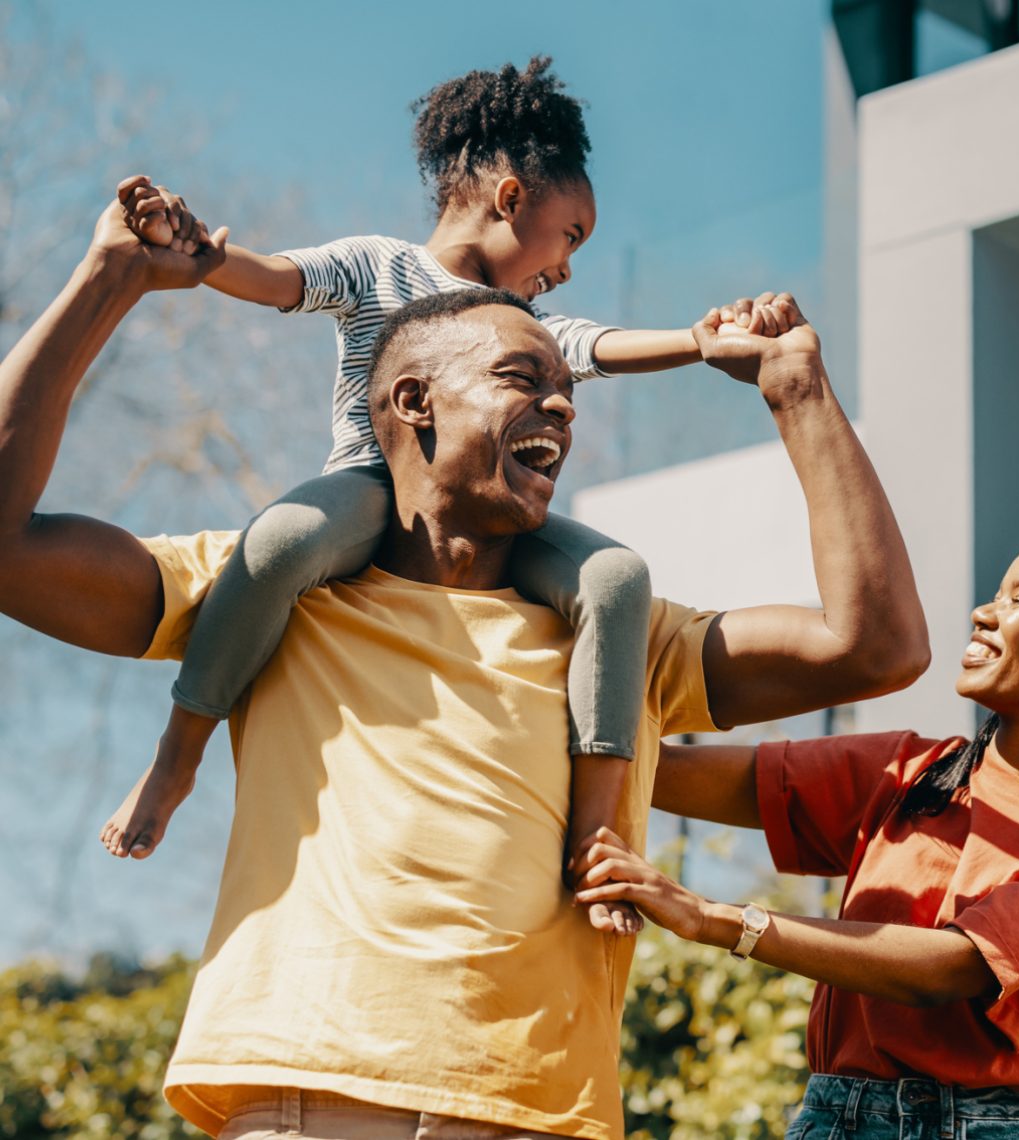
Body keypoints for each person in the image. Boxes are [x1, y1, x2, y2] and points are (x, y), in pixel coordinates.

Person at [0, 200, 929, 1138]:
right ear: (414, 404)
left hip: (541, 1115)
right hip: (311, 1097)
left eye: (566, 388)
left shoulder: (625, 638)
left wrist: (798, 392)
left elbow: (877, 647)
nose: (562, 405)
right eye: (523, 377)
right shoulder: (272, 593)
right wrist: (105, 282)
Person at [99, 60, 706, 930]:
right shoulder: (378, 267)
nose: (570, 265)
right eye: (570, 234)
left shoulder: (519, 324)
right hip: (371, 492)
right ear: (508, 198)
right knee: (278, 543)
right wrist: (198, 253)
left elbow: (594, 344)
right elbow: (275, 279)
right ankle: (176, 756)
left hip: (485, 513)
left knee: (614, 579)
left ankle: (598, 837)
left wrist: (696, 338)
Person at [575, 527, 1019, 1137]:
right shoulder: (913, 774)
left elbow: (954, 966)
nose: (984, 613)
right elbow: (657, 772)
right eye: (993, 595)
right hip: (832, 1116)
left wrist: (711, 918)